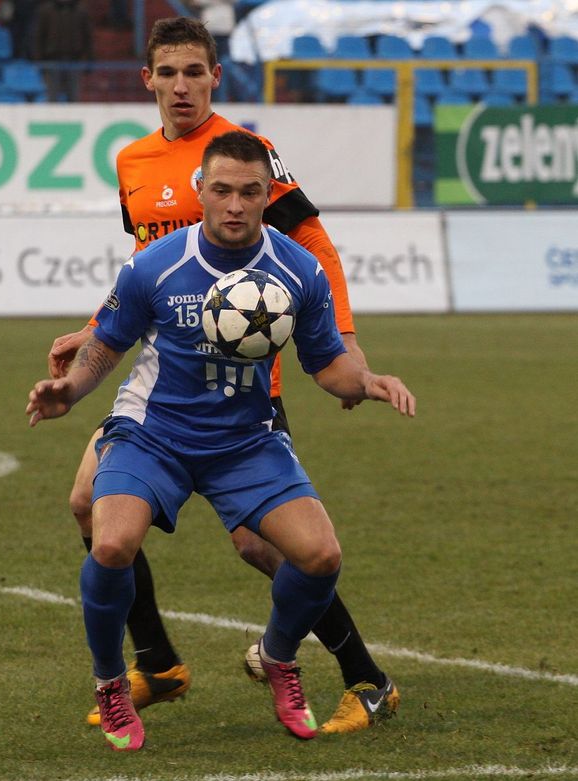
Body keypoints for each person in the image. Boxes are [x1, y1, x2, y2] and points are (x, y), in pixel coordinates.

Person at [48, 16, 399, 735]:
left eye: (195, 73)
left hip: (244, 386)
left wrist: (350, 347)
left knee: (262, 544)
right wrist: (92, 330)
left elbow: (313, 242)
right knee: (91, 506)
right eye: (169, 73)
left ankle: (365, 675)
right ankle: (157, 661)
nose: (182, 87)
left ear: (215, 77)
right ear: (148, 80)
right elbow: (146, 270)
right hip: (163, 380)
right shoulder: (134, 162)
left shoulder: (245, 154)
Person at [32, 0, 93, 102]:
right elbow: (38, 37)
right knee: (52, 98)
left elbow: (88, 37)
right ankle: (52, 118)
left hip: (74, 61)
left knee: (73, 98)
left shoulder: (81, 11)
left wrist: (89, 59)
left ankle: (74, 118)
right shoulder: (45, 10)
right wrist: (39, 61)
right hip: (52, 61)